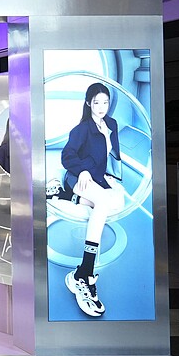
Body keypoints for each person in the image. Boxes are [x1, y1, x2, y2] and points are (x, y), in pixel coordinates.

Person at [59, 83, 125, 317]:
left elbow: (111, 154)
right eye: (96, 102)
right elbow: (67, 156)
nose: (101, 107)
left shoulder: (112, 125)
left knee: (112, 202)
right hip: (79, 177)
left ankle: (67, 197)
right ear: (88, 103)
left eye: (105, 102)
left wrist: (109, 175)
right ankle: (84, 272)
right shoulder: (82, 129)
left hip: (97, 177)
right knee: (103, 204)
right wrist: (83, 170)